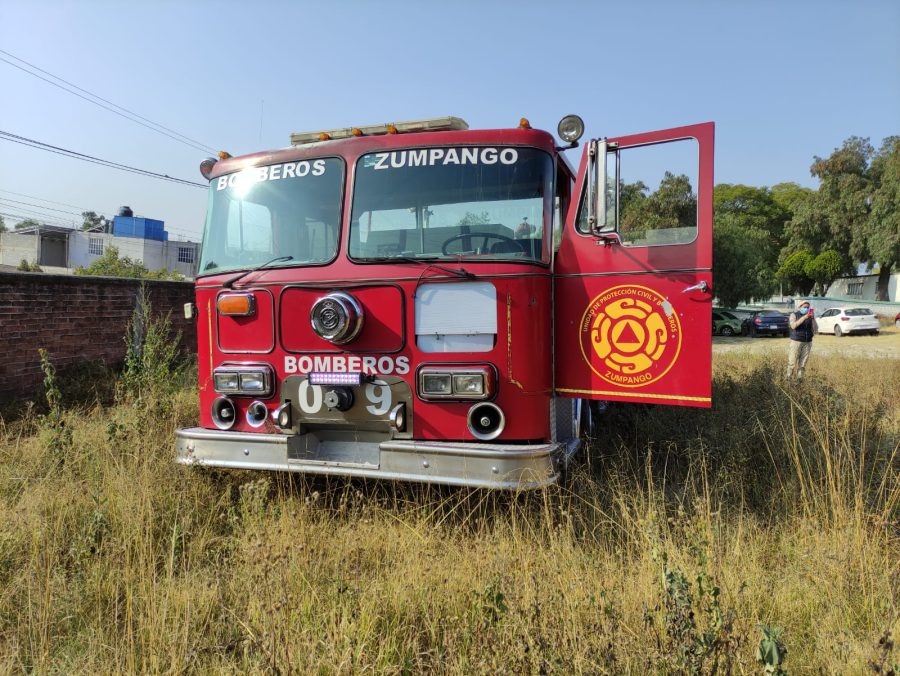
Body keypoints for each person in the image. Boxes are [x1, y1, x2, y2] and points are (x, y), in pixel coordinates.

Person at [786, 301, 817, 380]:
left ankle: (800, 380)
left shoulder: (810, 316)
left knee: (803, 363)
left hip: (807, 342)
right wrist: (804, 318)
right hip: (796, 341)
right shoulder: (794, 315)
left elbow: (815, 329)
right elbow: (793, 326)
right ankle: (788, 379)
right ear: (799, 307)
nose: (806, 309)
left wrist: (813, 318)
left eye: (808, 307)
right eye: (804, 307)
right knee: (792, 362)